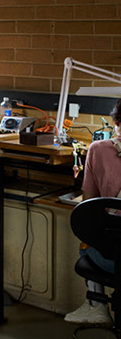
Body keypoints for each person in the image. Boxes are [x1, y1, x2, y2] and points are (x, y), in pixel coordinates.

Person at [64, 98, 121, 325]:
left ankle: (96, 305)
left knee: (87, 244)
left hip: (110, 258)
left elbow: (88, 205)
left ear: (116, 121)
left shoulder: (98, 150)